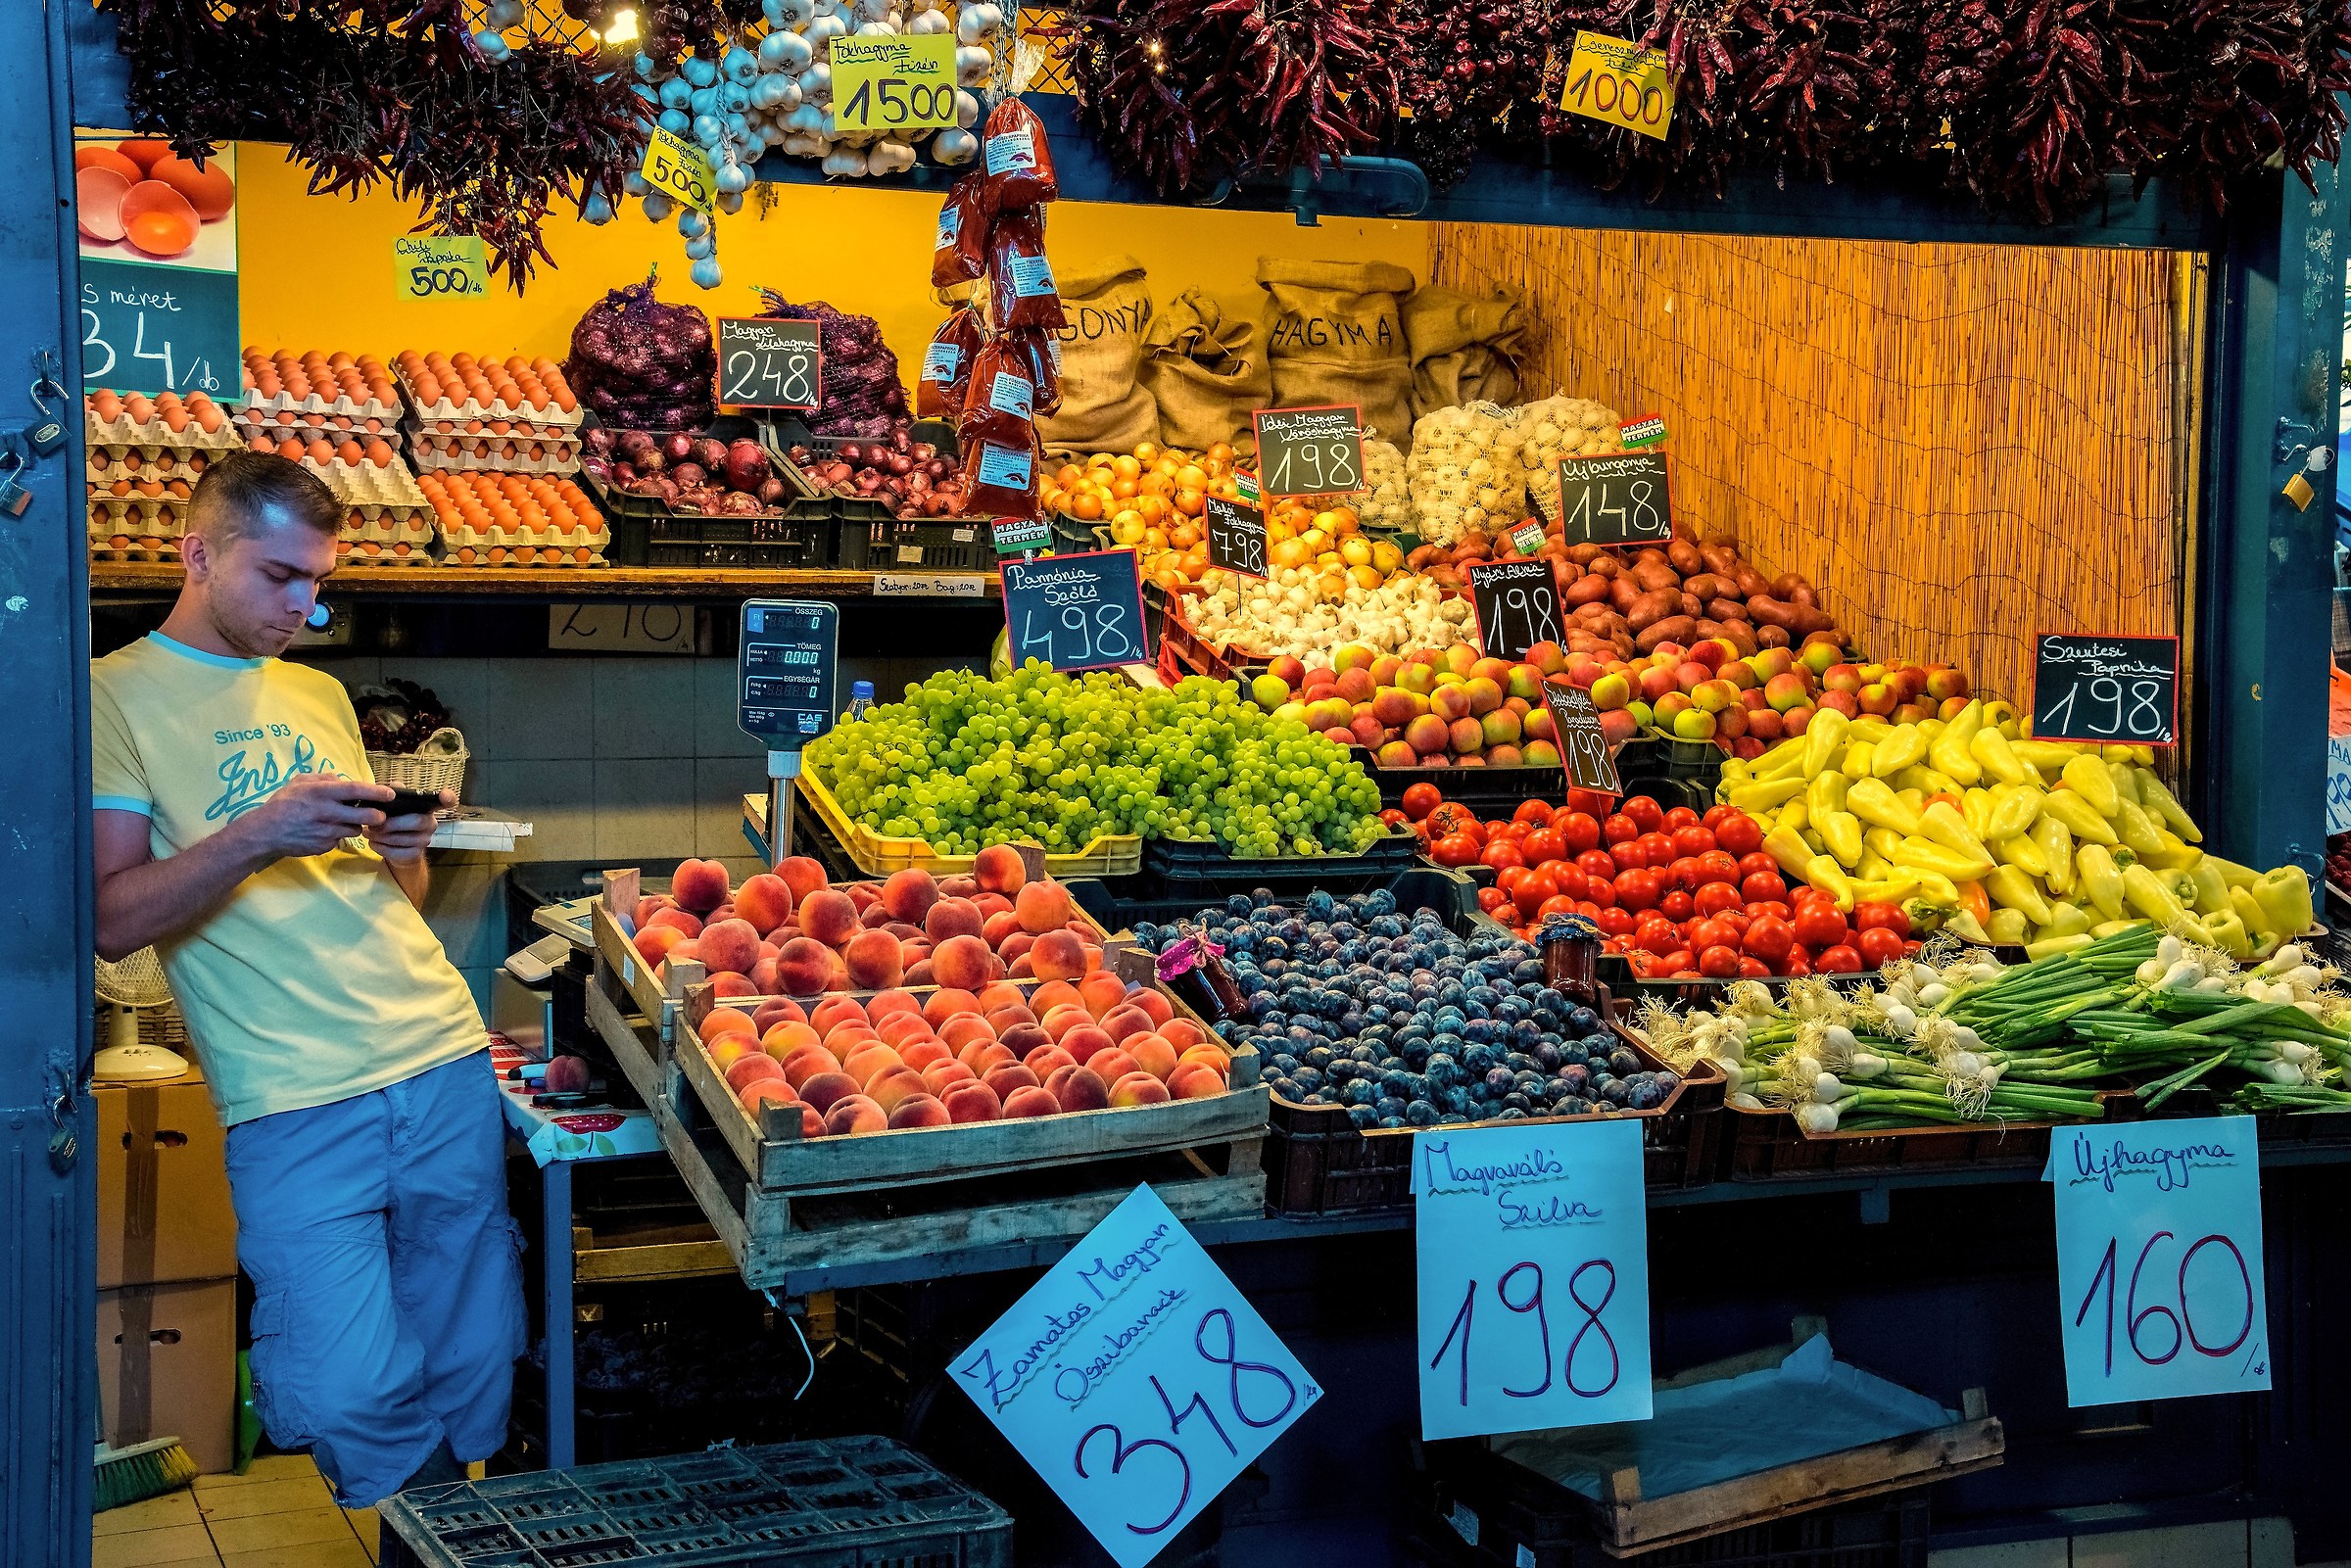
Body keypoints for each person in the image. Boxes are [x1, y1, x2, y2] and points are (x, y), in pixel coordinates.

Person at [90, 451, 522, 1506]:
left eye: (320, 580)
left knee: (475, 1359)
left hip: (439, 1055)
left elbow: (387, 903)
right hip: (291, 1096)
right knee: (340, 1388)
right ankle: (434, 1529)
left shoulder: (320, 691)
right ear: (197, 552)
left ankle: (450, 1531)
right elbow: (108, 917)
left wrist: (407, 843)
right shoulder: (112, 697)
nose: (305, 604)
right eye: (281, 575)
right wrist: (262, 830)